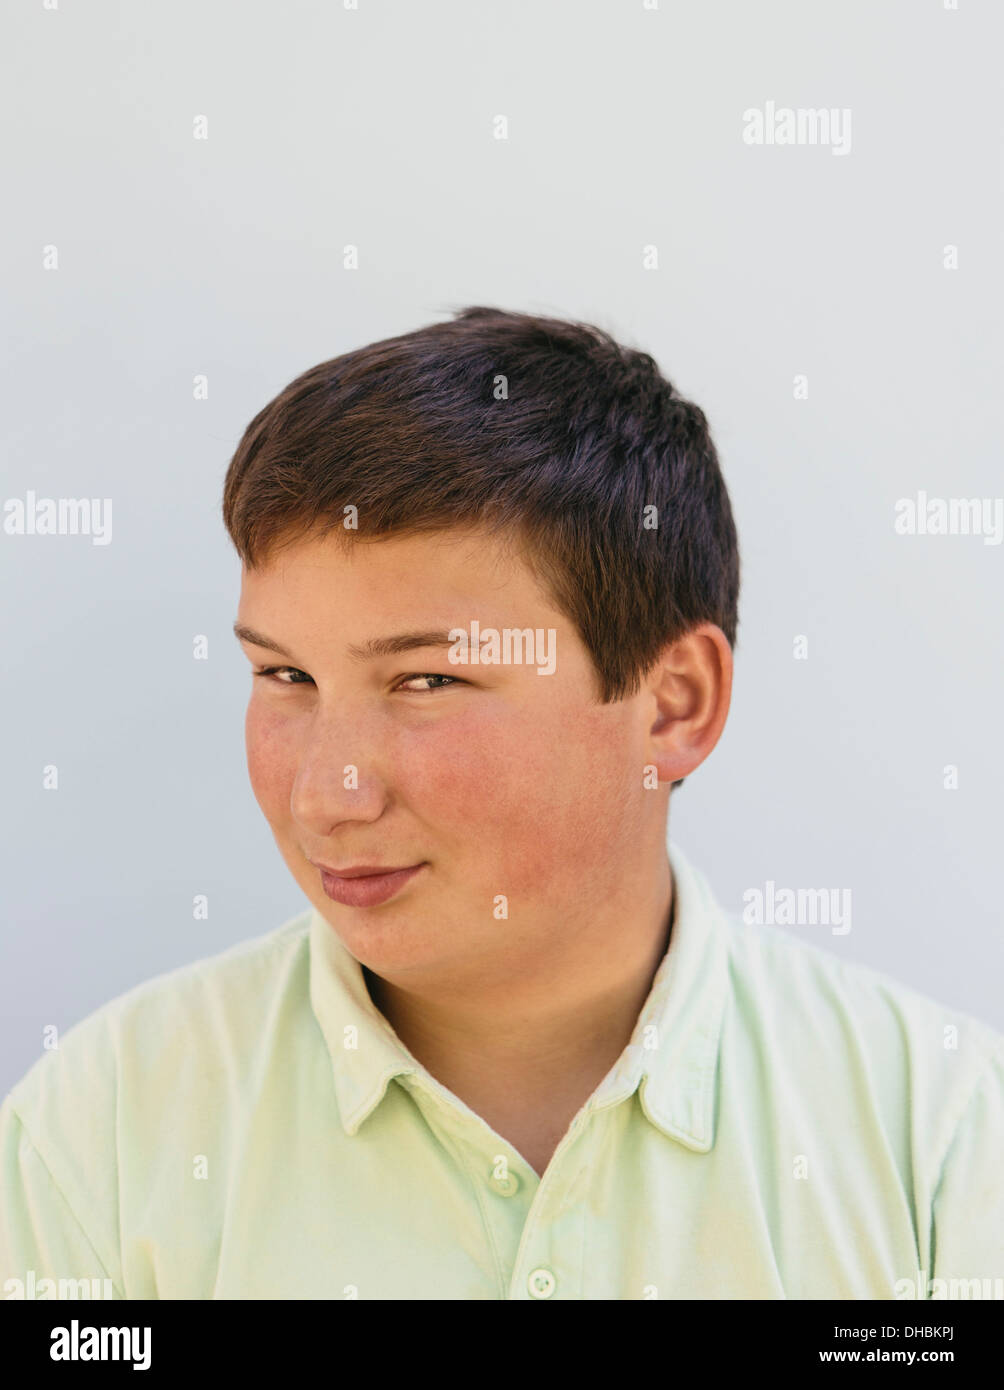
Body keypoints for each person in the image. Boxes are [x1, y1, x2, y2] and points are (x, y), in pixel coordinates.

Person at [2, 307, 1001, 1300]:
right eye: (285, 675)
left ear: (673, 703)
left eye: (426, 681)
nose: (324, 795)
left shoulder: (945, 1145)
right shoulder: (101, 1133)